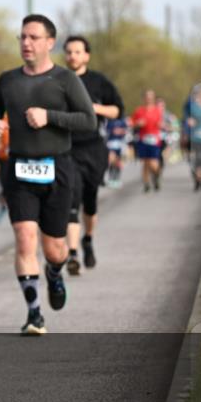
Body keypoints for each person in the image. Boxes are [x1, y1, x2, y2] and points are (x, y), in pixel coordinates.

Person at [0, 14, 96, 336]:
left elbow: (89, 121)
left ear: (50, 42)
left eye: (33, 37)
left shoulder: (65, 80)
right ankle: (34, 315)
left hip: (57, 168)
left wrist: (50, 116)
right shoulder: (8, 80)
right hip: (18, 168)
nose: (26, 43)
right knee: (24, 238)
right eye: (22, 37)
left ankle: (55, 273)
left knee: (54, 249)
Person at [62, 35, 124, 275]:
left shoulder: (99, 82)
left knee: (90, 202)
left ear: (86, 55)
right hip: (66, 150)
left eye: (77, 52)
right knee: (71, 201)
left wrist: (94, 108)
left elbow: (117, 109)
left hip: (93, 149)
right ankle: (73, 254)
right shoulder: (57, 80)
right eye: (68, 52)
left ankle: (88, 239)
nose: (72, 56)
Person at [130, 90, 164, 193]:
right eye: (147, 97)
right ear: (144, 98)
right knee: (145, 162)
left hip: (154, 140)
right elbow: (132, 123)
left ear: (153, 98)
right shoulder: (139, 111)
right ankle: (146, 184)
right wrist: (138, 124)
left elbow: (161, 123)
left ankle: (157, 175)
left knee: (153, 163)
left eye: (151, 97)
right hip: (143, 139)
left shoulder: (157, 110)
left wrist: (160, 125)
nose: (149, 99)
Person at [105, 117, 128, 188]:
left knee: (118, 162)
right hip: (111, 144)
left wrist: (120, 131)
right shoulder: (109, 120)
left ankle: (117, 178)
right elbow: (107, 131)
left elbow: (126, 131)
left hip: (120, 144)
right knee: (111, 161)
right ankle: (111, 178)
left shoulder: (123, 120)